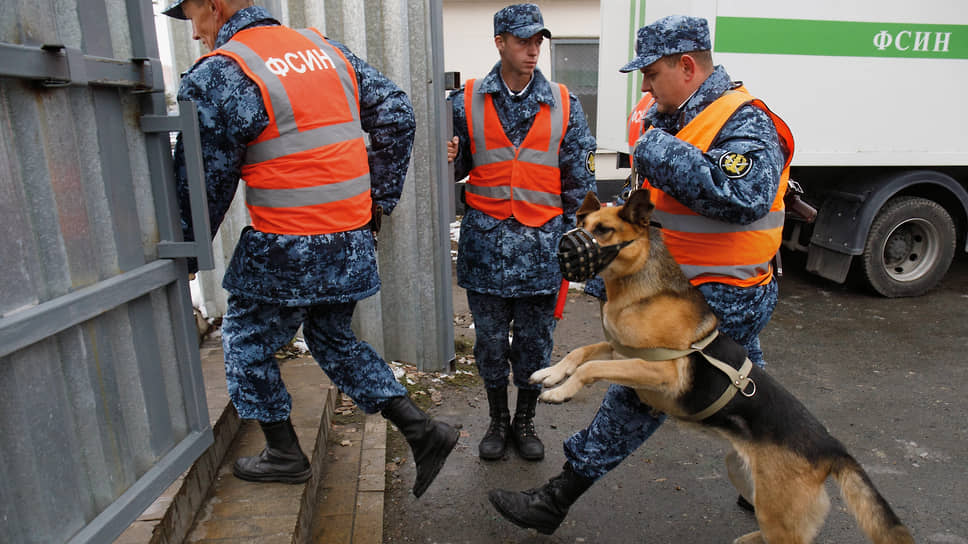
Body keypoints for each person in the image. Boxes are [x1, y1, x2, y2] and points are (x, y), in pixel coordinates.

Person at [488, 14, 794, 533]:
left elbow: (744, 196)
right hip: (681, 287)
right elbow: (652, 209)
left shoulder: (745, 121)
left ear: (688, 66)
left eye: (652, 75)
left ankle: (555, 500)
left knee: (637, 391)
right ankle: (772, 487)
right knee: (746, 396)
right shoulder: (671, 118)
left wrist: (655, 146)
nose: (646, 87)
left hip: (722, 295)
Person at [162, 0, 458, 498]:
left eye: (192, 16)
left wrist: (187, 256)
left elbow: (204, 184)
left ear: (214, 5)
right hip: (349, 241)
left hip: (287, 248)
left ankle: (284, 453)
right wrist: (376, 202)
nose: (194, 33)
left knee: (244, 343)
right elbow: (398, 114)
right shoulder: (324, 51)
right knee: (330, 336)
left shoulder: (219, 74)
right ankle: (422, 431)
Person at [446, 3, 598, 462]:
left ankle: (525, 421)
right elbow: (457, 168)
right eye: (523, 41)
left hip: (542, 254)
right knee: (490, 345)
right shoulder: (466, 100)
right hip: (485, 251)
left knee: (535, 346)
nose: (533, 50)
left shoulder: (564, 103)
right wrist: (451, 154)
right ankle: (496, 419)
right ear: (500, 43)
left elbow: (580, 184)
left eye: (538, 41)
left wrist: (579, 246)